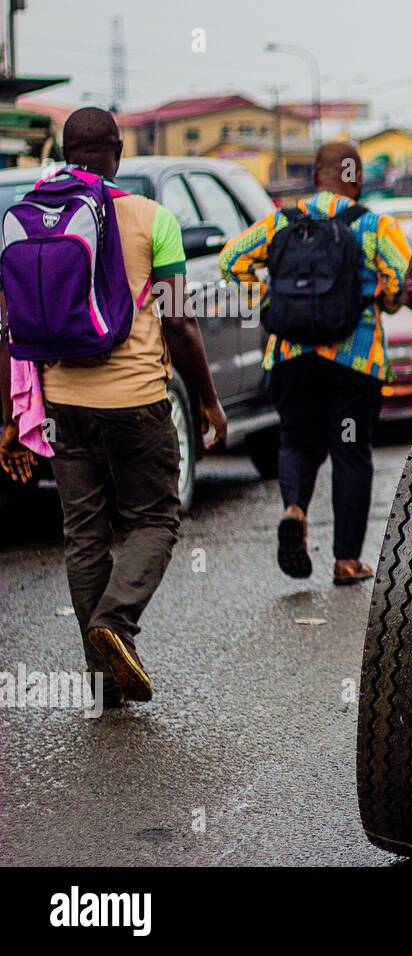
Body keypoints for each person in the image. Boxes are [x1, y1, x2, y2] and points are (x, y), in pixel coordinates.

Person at [0, 107, 226, 706]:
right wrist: (206, 399)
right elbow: (179, 322)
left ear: (64, 150)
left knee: (84, 536)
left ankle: (101, 679)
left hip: (61, 405)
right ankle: (116, 624)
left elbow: (8, 329)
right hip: (135, 404)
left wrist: (10, 419)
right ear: (118, 153)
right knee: (154, 519)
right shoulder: (154, 218)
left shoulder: (26, 217)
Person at [219, 142, 411, 586]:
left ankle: (294, 510)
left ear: (314, 175)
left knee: (296, 440)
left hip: (291, 354)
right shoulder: (376, 224)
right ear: (356, 178)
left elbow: (231, 261)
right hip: (354, 358)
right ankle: (346, 560)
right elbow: (400, 281)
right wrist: (381, 297)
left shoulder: (280, 221)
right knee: (351, 452)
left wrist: (271, 299)